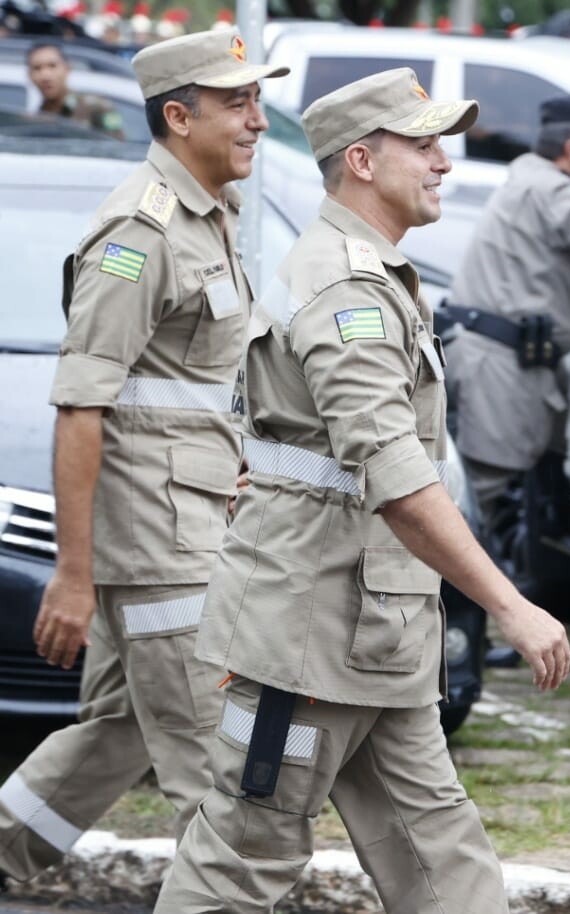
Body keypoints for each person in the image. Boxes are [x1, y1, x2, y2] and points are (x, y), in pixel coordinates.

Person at [153, 68, 570, 914]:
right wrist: (510, 605)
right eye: (424, 145)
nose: (443, 162)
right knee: (243, 859)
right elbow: (397, 479)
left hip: (376, 638)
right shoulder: (348, 289)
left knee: (442, 860)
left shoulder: (372, 275)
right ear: (362, 162)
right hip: (307, 640)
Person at [0, 27, 288, 886]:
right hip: (158, 545)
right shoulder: (141, 231)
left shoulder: (212, 215)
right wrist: (72, 575)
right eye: (237, 103)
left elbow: (184, 390)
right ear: (179, 117)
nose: (258, 120)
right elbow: (80, 406)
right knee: (217, 769)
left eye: (258, 101)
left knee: (120, 730)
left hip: (190, 522)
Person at [443, 94, 570, 533]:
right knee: (481, 497)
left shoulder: (532, 179)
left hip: (508, 358)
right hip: (500, 364)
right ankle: (452, 579)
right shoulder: (547, 188)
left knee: (507, 493)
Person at [26, 41, 125, 138]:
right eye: (37, 68)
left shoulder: (98, 107)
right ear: (29, 75)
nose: (45, 76)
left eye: (52, 66)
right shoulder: (39, 117)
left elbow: (118, 144)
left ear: (67, 68)